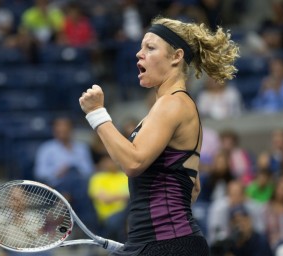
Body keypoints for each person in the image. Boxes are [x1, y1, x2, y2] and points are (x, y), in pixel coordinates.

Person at [79, 16, 239, 256]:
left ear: (176, 56)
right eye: (141, 47)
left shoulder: (173, 104)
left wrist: (97, 114)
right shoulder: (172, 107)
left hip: (168, 244)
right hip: (163, 243)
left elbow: (133, 162)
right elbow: (192, 188)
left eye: (150, 48)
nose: (139, 54)